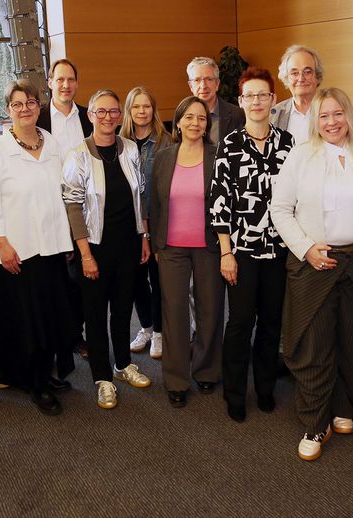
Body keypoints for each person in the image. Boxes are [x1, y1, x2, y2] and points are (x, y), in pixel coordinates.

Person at [271, 87, 353, 461]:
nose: (331, 122)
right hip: (314, 263)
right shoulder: (300, 157)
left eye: (338, 114)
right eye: (324, 116)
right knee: (315, 343)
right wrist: (307, 248)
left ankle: (344, 404)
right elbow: (280, 209)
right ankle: (314, 421)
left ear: (350, 115)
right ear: (315, 120)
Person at [0, 79, 74, 416]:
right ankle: (35, 384)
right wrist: (2, 245)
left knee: (51, 315)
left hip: (53, 246)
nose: (26, 108)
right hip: (18, 251)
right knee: (27, 322)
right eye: (18, 104)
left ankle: (45, 373)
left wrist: (70, 238)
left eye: (31, 102)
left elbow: (64, 194)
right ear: (8, 110)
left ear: (39, 106)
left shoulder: (53, 143)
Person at [210, 67, 294, 422]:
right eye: (250, 96)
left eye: (263, 95)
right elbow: (219, 202)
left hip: (279, 251)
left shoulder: (289, 145)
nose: (257, 101)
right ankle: (234, 392)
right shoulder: (229, 145)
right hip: (241, 253)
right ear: (241, 101)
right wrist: (226, 252)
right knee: (241, 323)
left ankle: (264, 388)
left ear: (273, 100)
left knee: (272, 324)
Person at [62, 89, 153, 409]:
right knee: (96, 313)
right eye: (101, 111)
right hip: (95, 248)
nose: (108, 117)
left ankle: (123, 364)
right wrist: (85, 254)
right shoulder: (78, 154)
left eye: (114, 112)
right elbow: (72, 205)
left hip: (128, 243)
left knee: (123, 307)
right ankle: (102, 376)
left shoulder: (128, 148)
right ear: (90, 116)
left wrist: (144, 237)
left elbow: (139, 195)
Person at [150, 95, 225, 409]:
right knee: (175, 313)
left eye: (202, 118)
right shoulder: (164, 157)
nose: (196, 123)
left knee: (211, 311)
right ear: (178, 122)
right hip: (172, 248)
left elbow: (225, 204)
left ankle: (207, 370)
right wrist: (156, 243)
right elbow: (154, 203)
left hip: (208, 246)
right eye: (190, 117)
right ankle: (176, 379)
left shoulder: (217, 155)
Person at [36, 57, 92, 368]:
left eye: (71, 79)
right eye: (60, 80)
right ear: (50, 82)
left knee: (81, 280)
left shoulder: (88, 116)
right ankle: (59, 339)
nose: (66, 85)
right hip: (48, 208)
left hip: (84, 211)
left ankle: (76, 335)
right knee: (54, 280)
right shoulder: (39, 117)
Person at [120, 86, 173, 360]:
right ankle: (146, 327)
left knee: (158, 278)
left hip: (157, 221)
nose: (142, 111)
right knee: (136, 279)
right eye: (136, 107)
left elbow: (169, 187)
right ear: (129, 111)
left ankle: (161, 332)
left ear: (154, 109)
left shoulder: (166, 141)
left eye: (147, 106)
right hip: (129, 224)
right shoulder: (119, 142)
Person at [186, 56, 245, 148]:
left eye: (209, 79)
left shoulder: (236, 115)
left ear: (217, 84)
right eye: (197, 80)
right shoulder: (182, 116)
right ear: (190, 86)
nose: (203, 86)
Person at [270, 44, 324, 143]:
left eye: (307, 72)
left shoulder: (332, 110)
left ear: (317, 76)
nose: (301, 78)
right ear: (286, 78)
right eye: (294, 73)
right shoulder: (274, 114)